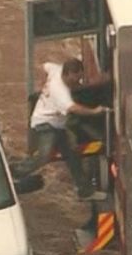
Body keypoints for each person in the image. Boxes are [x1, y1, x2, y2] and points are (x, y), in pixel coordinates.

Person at [11, 58, 109, 201]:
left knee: (73, 155)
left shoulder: (56, 69)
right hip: (44, 123)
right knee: (45, 154)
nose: (78, 82)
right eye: (77, 78)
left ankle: (85, 191)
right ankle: (15, 172)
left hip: (58, 125)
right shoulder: (61, 93)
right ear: (68, 74)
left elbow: (44, 65)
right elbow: (74, 108)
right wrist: (95, 111)